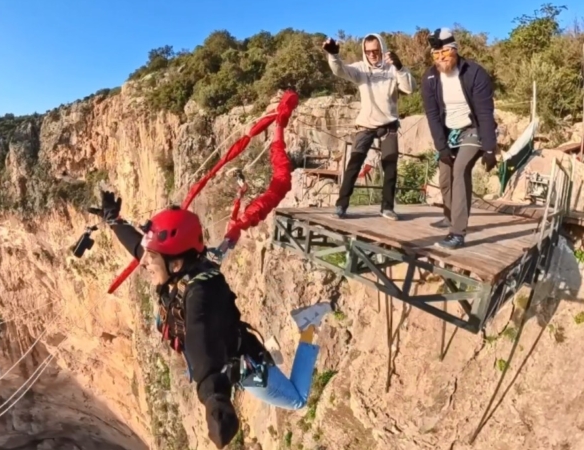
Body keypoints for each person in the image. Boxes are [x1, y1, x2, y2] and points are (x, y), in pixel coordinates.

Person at [94, 190, 331, 449]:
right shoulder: (178, 272)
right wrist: (114, 220)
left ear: (175, 264)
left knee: (297, 399)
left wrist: (215, 397)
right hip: (223, 355)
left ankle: (308, 325)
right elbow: (138, 247)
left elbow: (199, 336)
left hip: (243, 366)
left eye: (151, 258)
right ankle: (303, 326)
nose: (144, 263)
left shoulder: (202, 292)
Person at [322, 33, 416, 220]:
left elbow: (409, 88)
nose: (372, 54)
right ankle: (341, 205)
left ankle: (387, 208)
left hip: (388, 124)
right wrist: (333, 56)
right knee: (354, 163)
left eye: (375, 51)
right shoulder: (361, 70)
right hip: (365, 125)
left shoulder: (392, 69)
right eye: (368, 51)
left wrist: (400, 67)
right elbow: (340, 70)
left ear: (382, 49)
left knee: (390, 165)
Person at [421, 28, 498, 249]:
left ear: (454, 50)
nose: (441, 58)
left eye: (445, 53)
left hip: (472, 128)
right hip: (448, 132)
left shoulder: (474, 73)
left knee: (460, 169)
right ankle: (449, 216)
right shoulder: (430, 79)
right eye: (436, 55)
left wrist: (490, 148)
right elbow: (433, 115)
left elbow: (484, 113)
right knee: (445, 178)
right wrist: (441, 147)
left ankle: (457, 233)